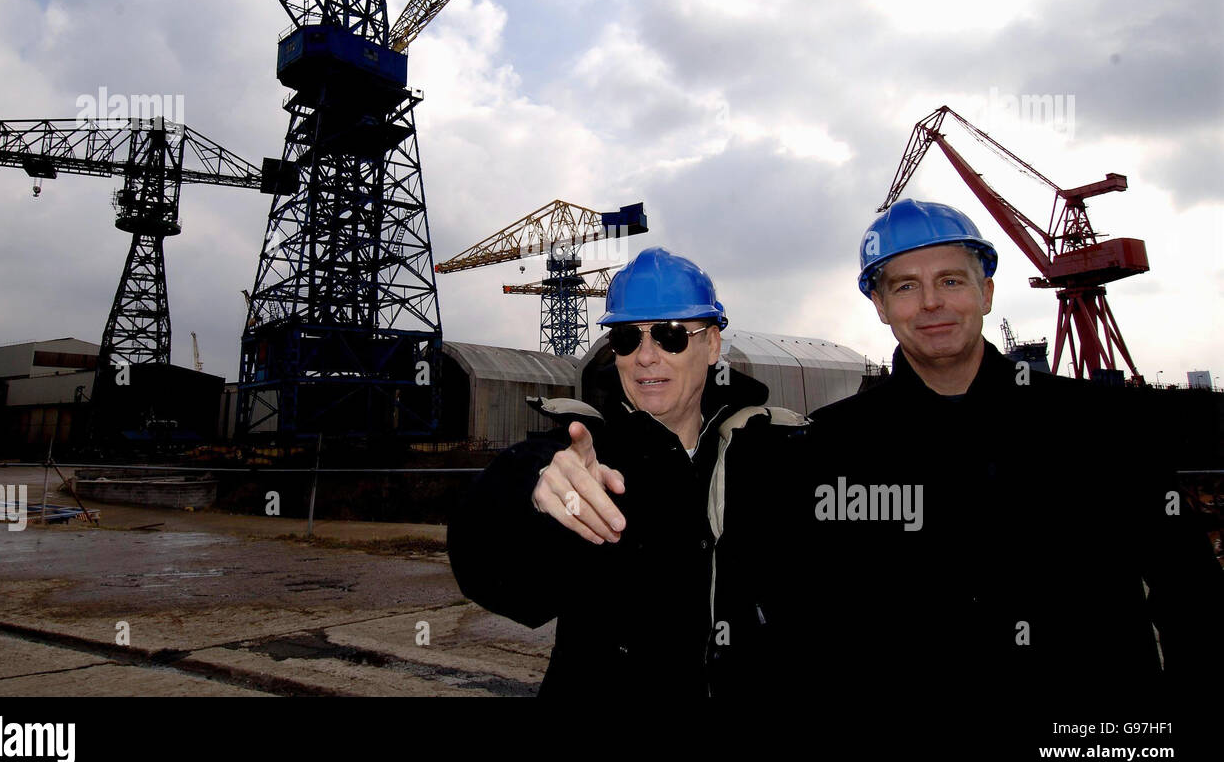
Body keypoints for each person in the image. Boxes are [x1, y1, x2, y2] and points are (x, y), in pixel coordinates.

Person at [802, 198, 1223, 704]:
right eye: (906, 286)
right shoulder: (831, 446)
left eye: (952, 281)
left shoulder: (1102, 425)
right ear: (881, 305)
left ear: (987, 293)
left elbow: (1192, 597)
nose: (932, 302)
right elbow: (819, 623)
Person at [447, 246, 807, 697]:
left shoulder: (771, 454)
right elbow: (494, 576)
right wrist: (532, 494)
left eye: (670, 335)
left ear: (712, 344)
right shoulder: (585, 454)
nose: (646, 356)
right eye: (626, 338)